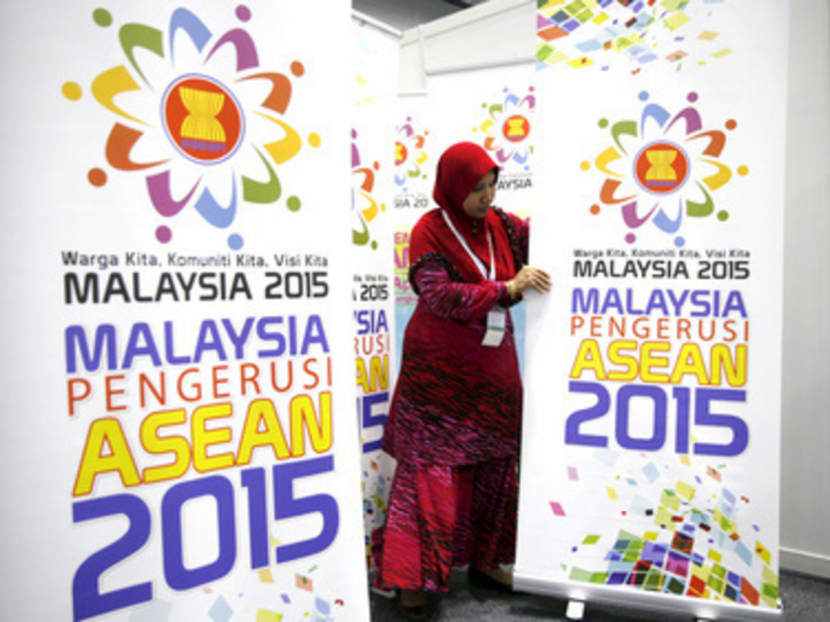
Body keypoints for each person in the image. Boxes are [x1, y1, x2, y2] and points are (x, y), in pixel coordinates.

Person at [372, 142, 551, 620]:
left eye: (492, 184)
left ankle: (488, 560)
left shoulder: (504, 226)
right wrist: (505, 288)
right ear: (452, 186)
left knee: (496, 467)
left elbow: (556, 237)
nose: (487, 196)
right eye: (476, 188)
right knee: (428, 473)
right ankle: (411, 580)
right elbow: (436, 294)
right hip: (438, 378)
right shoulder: (428, 230)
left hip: (493, 373)